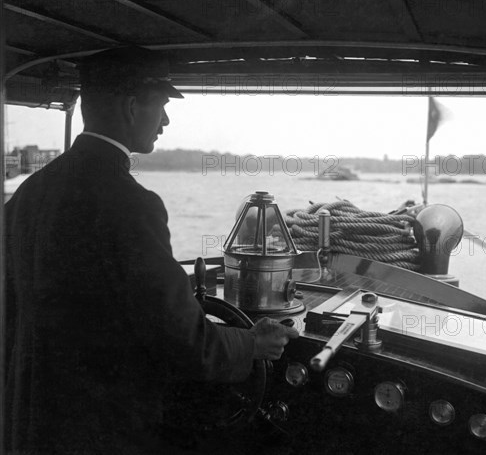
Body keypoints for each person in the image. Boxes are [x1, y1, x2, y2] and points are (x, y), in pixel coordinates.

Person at [4, 46, 299, 454]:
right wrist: (253, 344)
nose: (165, 120)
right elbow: (183, 341)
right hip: (102, 429)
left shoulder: (28, 193)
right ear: (130, 106)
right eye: (160, 105)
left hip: (30, 418)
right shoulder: (131, 205)